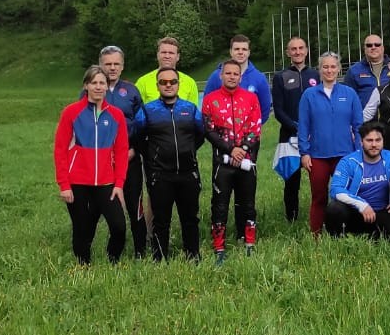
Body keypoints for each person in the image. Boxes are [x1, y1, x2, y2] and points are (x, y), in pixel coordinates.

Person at [53, 66, 128, 265]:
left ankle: (113, 261)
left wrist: (119, 183)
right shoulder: (71, 112)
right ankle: (83, 266)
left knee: (119, 226)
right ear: (86, 86)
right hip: (77, 182)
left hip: (106, 182)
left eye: (102, 83)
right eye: (93, 83)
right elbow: (60, 149)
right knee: (82, 228)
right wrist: (64, 185)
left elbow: (121, 151)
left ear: (106, 86)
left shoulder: (117, 115)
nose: (98, 87)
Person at [133, 69, 206, 260]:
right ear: (157, 85)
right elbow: (138, 137)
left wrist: (187, 151)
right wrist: (152, 156)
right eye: (163, 82)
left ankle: (193, 254)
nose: (168, 85)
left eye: (172, 82)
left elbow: (200, 135)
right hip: (160, 174)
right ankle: (160, 256)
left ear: (178, 84)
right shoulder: (148, 111)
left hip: (188, 173)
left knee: (190, 217)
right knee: (161, 219)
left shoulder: (190, 109)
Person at [202, 58, 263, 262]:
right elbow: (209, 130)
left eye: (235, 74)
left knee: (247, 203)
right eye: (228, 73)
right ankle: (219, 247)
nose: (231, 76)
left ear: (240, 76)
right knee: (219, 204)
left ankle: (249, 242)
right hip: (222, 162)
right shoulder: (210, 99)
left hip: (246, 160)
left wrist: (242, 150)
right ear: (221, 75)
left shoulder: (251, 98)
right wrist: (231, 149)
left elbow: (256, 129)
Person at [297, 52, 363, 235]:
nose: (329, 70)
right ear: (319, 69)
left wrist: (358, 152)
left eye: (333, 66)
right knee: (319, 197)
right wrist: (304, 153)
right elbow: (303, 126)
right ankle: (316, 235)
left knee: (347, 196)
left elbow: (358, 126)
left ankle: (347, 231)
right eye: (325, 66)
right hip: (318, 156)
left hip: (345, 155)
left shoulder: (349, 93)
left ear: (339, 69)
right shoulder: (309, 95)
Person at [98, 44, 147, 256]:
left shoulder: (132, 91)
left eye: (116, 64)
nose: (112, 68)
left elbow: (143, 125)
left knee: (135, 205)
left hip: (130, 159)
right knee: (110, 208)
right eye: (108, 64)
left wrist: (134, 149)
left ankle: (140, 251)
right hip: (102, 163)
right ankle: (114, 252)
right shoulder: (90, 89)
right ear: (100, 65)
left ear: (122, 65)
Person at [324, 123, 390, 240]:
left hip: (384, 211)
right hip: (357, 212)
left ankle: (372, 237)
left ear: (383, 141)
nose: (374, 144)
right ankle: (337, 241)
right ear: (361, 142)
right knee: (334, 209)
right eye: (369, 140)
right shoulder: (348, 161)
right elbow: (336, 190)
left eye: (378, 140)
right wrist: (362, 205)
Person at [271, 36, 320, 223]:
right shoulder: (280, 77)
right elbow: (279, 110)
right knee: (291, 182)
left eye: (301, 48)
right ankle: (291, 218)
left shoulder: (316, 75)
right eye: (293, 49)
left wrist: (312, 128)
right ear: (288, 52)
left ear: (306, 51)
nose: (298, 52)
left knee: (318, 179)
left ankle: (318, 216)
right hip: (290, 136)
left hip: (314, 137)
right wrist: (296, 126)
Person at [204, 34, 272, 124]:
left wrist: (251, 130)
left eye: (244, 49)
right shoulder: (216, 76)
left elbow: (265, 111)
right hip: (221, 135)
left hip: (249, 135)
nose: (240, 52)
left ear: (249, 52)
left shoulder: (260, 78)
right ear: (230, 52)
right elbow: (207, 105)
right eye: (237, 49)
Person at [136, 36, 199, 105]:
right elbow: (138, 112)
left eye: (171, 53)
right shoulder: (142, 82)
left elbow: (193, 112)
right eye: (163, 52)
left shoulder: (190, 83)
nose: (167, 56)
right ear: (157, 55)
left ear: (178, 57)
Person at [344, 34, 387, 108]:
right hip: (365, 118)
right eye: (369, 45)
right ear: (365, 49)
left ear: (382, 48)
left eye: (377, 45)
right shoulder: (353, 71)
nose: (373, 47)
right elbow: (348, 99)